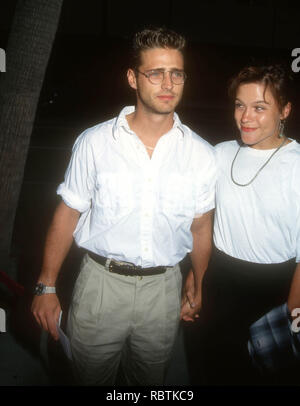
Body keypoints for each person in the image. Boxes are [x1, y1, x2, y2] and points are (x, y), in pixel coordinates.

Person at [31, 27, 216, 386]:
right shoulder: (95, 142)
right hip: (101, 285)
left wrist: (198, 281)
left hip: (163, 290)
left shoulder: (201, 154)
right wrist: (46, 286)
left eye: (176, 73)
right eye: (156, 72)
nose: (168, 83)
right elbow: (67, 213)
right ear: (133, 78)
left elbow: (201, 227)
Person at [182, 64, 300, 385]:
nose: (245, 117)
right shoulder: (220, 154)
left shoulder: (297, 165)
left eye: (260, 108)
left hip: (273, 289)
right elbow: (203, 225)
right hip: (220, 280)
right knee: (211, 369)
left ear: (285, 110)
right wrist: (197, 281)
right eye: (239, 105)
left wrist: (291, 313)